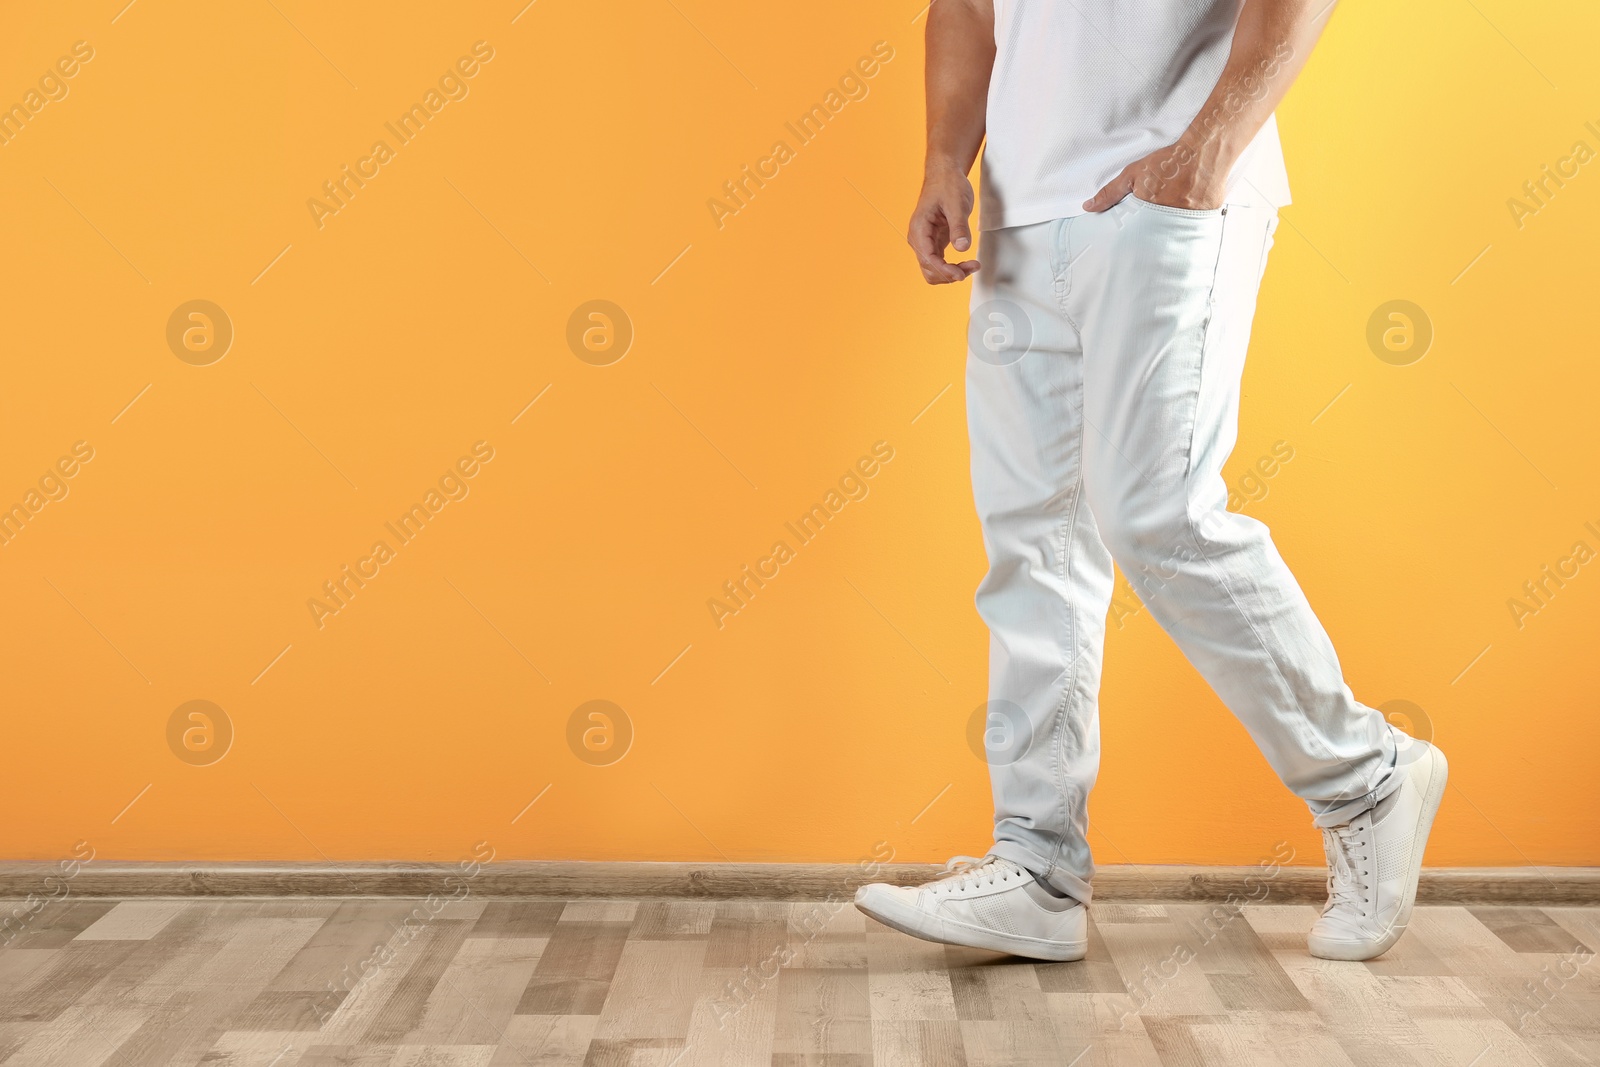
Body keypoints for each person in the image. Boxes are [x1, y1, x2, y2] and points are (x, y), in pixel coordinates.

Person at [853, 0, 1447, 962]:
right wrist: (941, 160)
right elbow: (964, 8)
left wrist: (1206, 152)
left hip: (1166, 198)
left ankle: (1366, 776)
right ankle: (1037, 867)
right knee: (1030, 543)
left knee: (1156, 514)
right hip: (1019, 209)